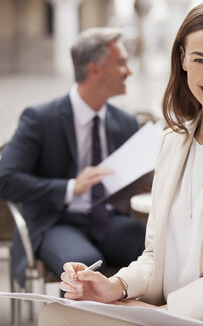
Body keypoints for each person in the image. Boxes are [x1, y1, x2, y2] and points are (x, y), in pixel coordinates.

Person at [38, 0, 203, 325]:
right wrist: (116, 286)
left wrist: (162, 313)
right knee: (57, 313)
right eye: (200, 59)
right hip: (164, 314)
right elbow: (154, 256)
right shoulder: (171, 143)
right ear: (183, 60)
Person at [0, 27, 147, 288]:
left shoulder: (125, 122)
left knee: (163, 248)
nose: (129, 71)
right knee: (84, 266)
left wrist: (146, 182)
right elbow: (6, 179)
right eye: (121, 62)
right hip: (57, 222)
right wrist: (70, 188)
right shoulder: (39, 118)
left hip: (110, 221)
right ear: (95, 70)